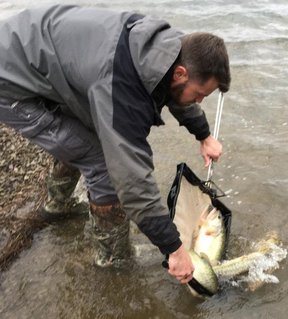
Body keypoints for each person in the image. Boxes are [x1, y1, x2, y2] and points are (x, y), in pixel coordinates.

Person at [0, 5, 230, 284]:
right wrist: (175, 249)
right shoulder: (122, 89)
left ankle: (56, 207)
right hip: (10, 79)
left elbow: (175, 92)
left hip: (40, 49)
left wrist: (203, 134)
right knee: (103, 162)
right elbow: (133, 183)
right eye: (200, 94)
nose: (200, 101)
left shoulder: (171, 49)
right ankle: (112, 262)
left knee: (82, 137)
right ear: (181, 73)